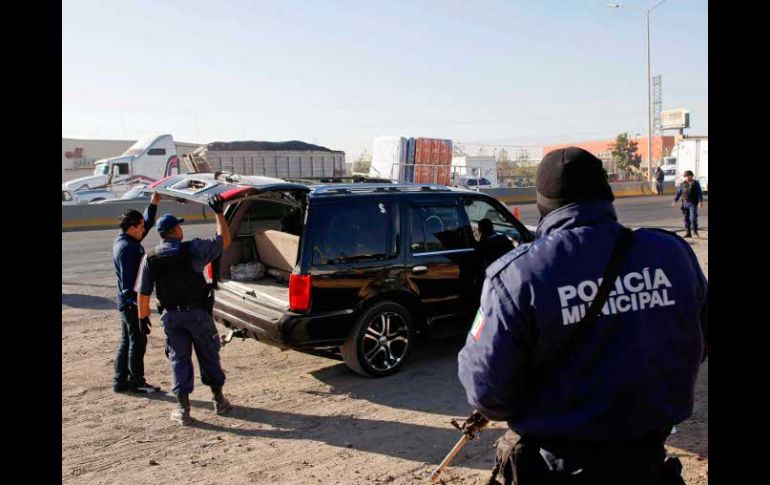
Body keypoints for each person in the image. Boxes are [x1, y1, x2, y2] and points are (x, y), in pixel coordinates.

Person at [458, 147, 708, 484]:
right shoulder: (670, 253)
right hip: (646, 460)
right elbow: (701, 338)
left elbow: (487, 390)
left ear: (543, 203)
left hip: (556, 465)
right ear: (606, 195)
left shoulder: (517, 275)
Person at [136, 195, 234, 425]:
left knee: (179, 360)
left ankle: (183, 409)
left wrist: (143, 319)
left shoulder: (150, 258)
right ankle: (219, 400)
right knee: (208, 354)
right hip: (198, 315)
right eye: (179, 226)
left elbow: (143, 292)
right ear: (176, 230)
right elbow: (224, 240)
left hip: (172, 317)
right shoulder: (193, 249)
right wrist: (219, 213)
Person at [112, 192, 162, 393]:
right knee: (137, 341)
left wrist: (153, 203)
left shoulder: (127, 239)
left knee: (127, 340)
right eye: (141, 227)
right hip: (130, 303)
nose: (145, 229)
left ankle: (119, 381)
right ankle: (136, 382)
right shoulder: (127, 249)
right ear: (132, 228)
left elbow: (147, 222)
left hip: (126, 303)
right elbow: (128, 285)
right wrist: (141, 310)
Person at [673, 170, 704, 238]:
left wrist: (700, 201)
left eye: (688, 176)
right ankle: (688, 233)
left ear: (691, 176)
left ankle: (695, 231)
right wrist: (675, 200)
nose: (687, 177)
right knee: (686, 219)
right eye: (686, 176)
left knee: (693, 218)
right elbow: (678, 192)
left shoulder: (695, 183)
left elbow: (699, 193)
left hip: (692, 203)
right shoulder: (683, 184)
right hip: (684, 203)